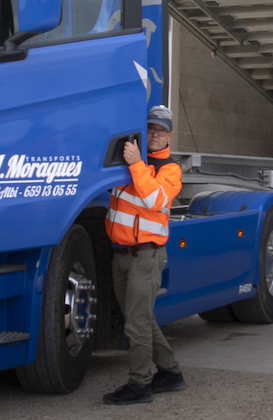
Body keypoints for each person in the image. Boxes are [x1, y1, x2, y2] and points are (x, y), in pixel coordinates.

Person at [102, 104, 187, 405]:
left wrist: (137, 164)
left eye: (160, 130)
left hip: (146, 256)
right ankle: (171, 372)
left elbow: (155, 199)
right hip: (122, 254)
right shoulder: (129, 161)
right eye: (150, 128)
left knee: (136, 323)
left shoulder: (169, 169)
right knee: (140, 320)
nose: (154, 134)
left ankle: (140, 385)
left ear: (170, 136)